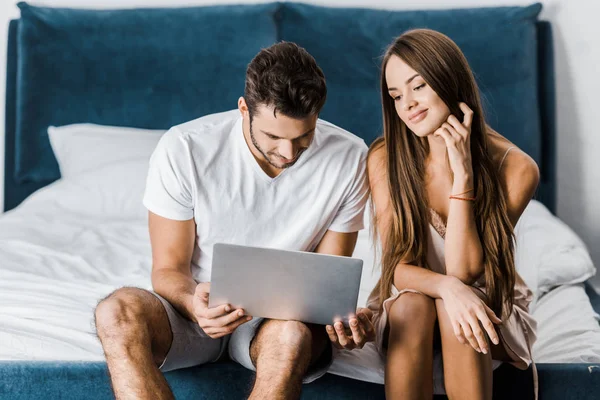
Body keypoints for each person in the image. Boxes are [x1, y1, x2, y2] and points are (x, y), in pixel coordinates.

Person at [93, 41, 374, 400]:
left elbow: (326, 280)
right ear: (244, 109)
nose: (288, 153)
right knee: (115, 312)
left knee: (290, 337)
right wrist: (193, 303)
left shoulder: (349, 157)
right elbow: (168, 269)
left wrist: (342, 320)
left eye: (304, 136)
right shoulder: (185, 148)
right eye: (273, 136)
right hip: (193, 312)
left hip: (278, 320)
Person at [365, 29, 539, 400]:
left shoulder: (517, 168)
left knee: (457, 307)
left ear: (448, 79)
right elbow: (398, 267)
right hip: (412, 301)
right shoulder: (385, 158)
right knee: (413, 305)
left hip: (482, 302)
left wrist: (463, 174)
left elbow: (466, 272)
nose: (407, 105)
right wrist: (445, 287)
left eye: (419, 86)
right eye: (396, 96)